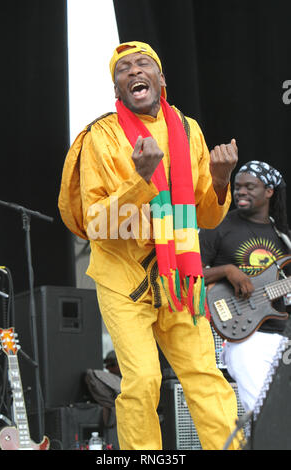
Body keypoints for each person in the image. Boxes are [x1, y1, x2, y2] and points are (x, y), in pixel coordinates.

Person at [58, 41, 240, 450]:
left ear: (160, 79)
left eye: (143, 64)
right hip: (124, 279)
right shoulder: (99, 136)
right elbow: (98, 224)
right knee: (142, 380)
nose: (134, 71)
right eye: (123, 69)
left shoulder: (188, 130)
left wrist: (221, 179)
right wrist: (141, 180)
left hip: (180, 277)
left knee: (205, 375)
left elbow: (206, 218)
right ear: (117, 89)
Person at [199, 160, 291, 414]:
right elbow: (189, 274)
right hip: (244, 336)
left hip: (281, 335)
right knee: (264, 416)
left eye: (250, 187)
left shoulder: (282, 235)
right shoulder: (217, 226)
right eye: (238, 186)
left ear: (269, 191)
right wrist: (228, 271)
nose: (240, 191)